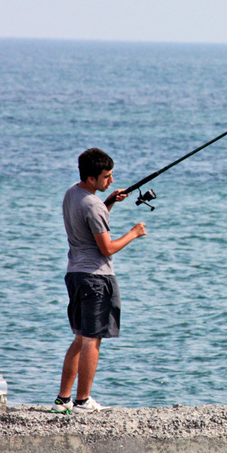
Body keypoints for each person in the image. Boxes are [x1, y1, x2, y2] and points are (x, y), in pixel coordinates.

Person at [52, 148, 147, 413]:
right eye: (107, 177)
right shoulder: (93, 205)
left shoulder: (74, 192)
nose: (111, 181)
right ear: (92, 178)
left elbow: (89, 221)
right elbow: (106, 248)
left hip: (75, 274)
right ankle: (83, 401)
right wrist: (134, 233)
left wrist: (111, 201)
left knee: (81, 338)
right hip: (96, 278)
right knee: (93, 339)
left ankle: (63, 400)